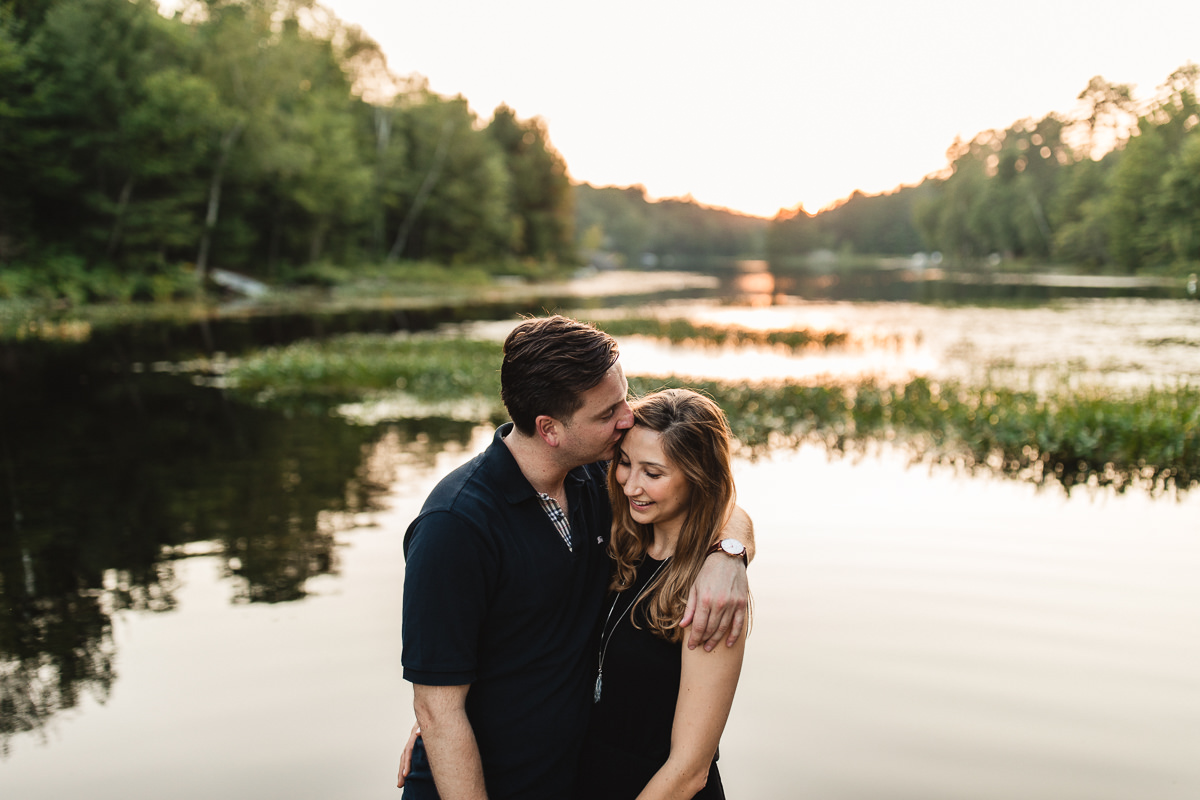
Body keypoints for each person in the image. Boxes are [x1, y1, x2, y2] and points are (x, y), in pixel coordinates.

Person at [399, 316, 754, 800]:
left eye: (624, 398)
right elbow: (439, 707)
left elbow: (706, 495)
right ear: (550, 429)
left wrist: (729, 555)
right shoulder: (455, 527)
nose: (627, 418)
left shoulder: (600, 481)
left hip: (565, 780)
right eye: (609, 411)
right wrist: (431, 725)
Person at [575, 389, 747, 800]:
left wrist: (728, 555)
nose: (631, 485)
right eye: (625, 463)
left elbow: (690, 771)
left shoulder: (713, 595)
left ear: (699, 478)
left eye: (653, 474)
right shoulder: (614, 545)